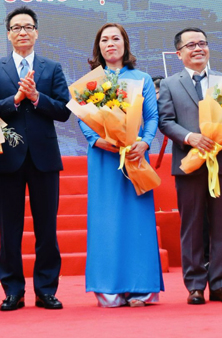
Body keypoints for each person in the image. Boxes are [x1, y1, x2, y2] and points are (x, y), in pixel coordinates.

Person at [0, 6, 71, 311]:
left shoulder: (52, 68)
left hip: (44, 158)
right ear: (8, 34)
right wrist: (16, 100)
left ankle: (45, 290)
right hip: (8, 158)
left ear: (36, 33)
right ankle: (13, 291)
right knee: (10, 229)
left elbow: (64, 110)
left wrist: (36, 97)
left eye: (28, 27)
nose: (22, 32)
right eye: (16, 27)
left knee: (47, 229)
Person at [157, 27, 222, 305]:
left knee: (221, 225)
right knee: (192, 226)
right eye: (191, 45)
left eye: (202, 43)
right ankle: (195, 285)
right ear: (179, 53)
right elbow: (166, 122)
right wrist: (190, 137)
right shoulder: (170, 84)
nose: (198, 48)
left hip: (221, 163)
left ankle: (221, 284)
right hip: (188, 163)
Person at [79, 23, 164, 307]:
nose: (110, 43)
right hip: (104, 157)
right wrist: (96, 139)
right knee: (105, 219)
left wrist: (145, 142)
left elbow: (151, 117)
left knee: (137, 219)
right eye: (104, 40)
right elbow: (83, 117)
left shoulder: (142, 79)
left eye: (116, 38)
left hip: (134, 155)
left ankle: (142, 287)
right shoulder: (91, 81)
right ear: (98, 47)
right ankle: (108, 287)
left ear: (125, 44)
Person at [153, 76, 222, 261]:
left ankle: (219, 251)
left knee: (209, 205)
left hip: (214, 152)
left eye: (157, 93)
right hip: (187, 153)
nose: (157, 97)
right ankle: (215, 249)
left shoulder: (215, 84)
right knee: (195, 208)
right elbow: (166, 123)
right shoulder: (161, 105)